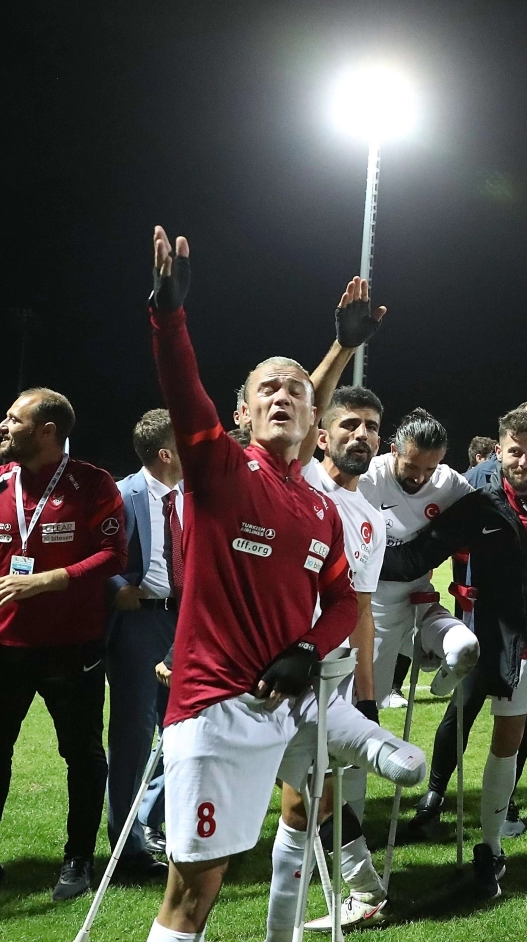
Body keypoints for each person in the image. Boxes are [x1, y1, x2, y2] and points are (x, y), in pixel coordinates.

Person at [141, 229, 423, 942]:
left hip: (285, 705)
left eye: (296, 392)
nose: (282, 397)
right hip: (211, 709)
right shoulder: (221, 471)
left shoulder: (319, 507)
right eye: (265, 389)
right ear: (241, 412)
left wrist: (307, 649)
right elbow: (184, 391)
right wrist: (169, 316)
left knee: (309, 811)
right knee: (194, 893)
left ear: (313, 419)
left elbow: (344, 601)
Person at [383, 407, 527, 898]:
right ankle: (473, 831)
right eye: (514, 451)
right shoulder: (478, 501)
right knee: (484, 726)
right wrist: (357, 551)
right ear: (499, 449)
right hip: (495, 637)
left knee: (518, 733)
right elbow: (420, 554)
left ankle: (494, 844)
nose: (522, 461)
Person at [274, 382, 392, 933]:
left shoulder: (371, 518)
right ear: (321, 435)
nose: (361, 435)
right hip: (270, 660)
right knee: (302, 793)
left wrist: (367, 695)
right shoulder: (297, 480)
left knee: (307, 793)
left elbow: (361, 609)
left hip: (328, 672)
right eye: (349, 424)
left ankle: (355, 894)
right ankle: (355, 892)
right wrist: (343, 347)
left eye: (371, 427)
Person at [0, 387, 126, 899]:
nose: (4, 425)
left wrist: (48, 580)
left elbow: (114, 555)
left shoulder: (92, 483)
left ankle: (78, 860)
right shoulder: (1, 481)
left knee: (81, 753)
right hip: (6, 646)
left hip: (72, 647)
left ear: (47, 430)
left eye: (14, 419)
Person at [362, 410, 483, 834]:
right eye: (412, 466)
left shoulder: (449, 482)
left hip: (420, 601)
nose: (419, 477)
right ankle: (352, 819)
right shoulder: (369, 477)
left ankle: (442, 669)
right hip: (370, 610)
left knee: (466, 648)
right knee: (364, 719)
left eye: (429, 468)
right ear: (394, 449)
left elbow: (483, 509)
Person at [105, 409, 184, 884]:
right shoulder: (121, 494)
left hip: (187, 621)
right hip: (139, 623)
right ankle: (127, 847)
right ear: (166, 453)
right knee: (134, 734)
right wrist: (117, 586)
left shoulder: (195, 496)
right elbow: (92, 551)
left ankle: (152, 820)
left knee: (185, 729)